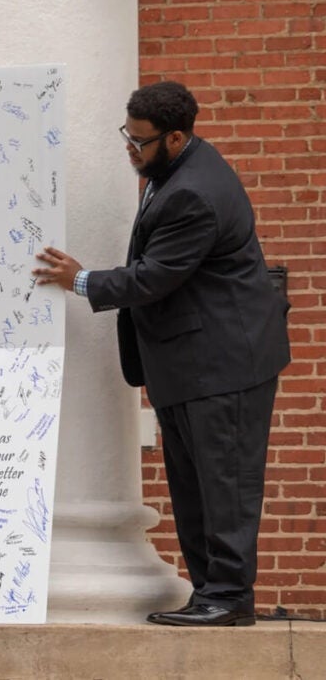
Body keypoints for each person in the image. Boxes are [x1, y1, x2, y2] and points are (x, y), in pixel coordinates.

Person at [33, 81, 290, 627]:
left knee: (224, 486)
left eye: (141, 142)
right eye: (127, 136)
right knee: (194, 487)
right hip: (189, 364)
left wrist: (80, 280)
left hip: (224, 365)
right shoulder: (174, 171)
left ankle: (227, 598)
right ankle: (210, 594)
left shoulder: (194, 192)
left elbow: (155, 277)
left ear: (176, 137)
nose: (131, 149)